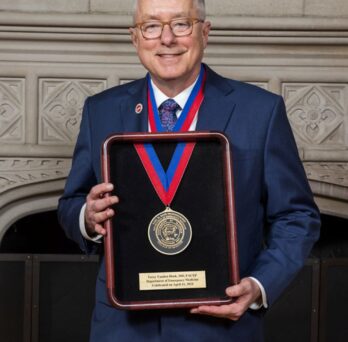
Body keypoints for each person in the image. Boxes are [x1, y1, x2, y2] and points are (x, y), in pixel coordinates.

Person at [58, 0, 321, 340]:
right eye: (151, 26)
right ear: (135, 37)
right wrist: (87, 218)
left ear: (205, 32)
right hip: (123, 329)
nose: (166, 38)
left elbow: (297, 216)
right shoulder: (101, 111)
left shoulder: (260, 111)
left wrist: (258, 286)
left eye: (181, 24)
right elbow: (71, 204)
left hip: (219, 328)